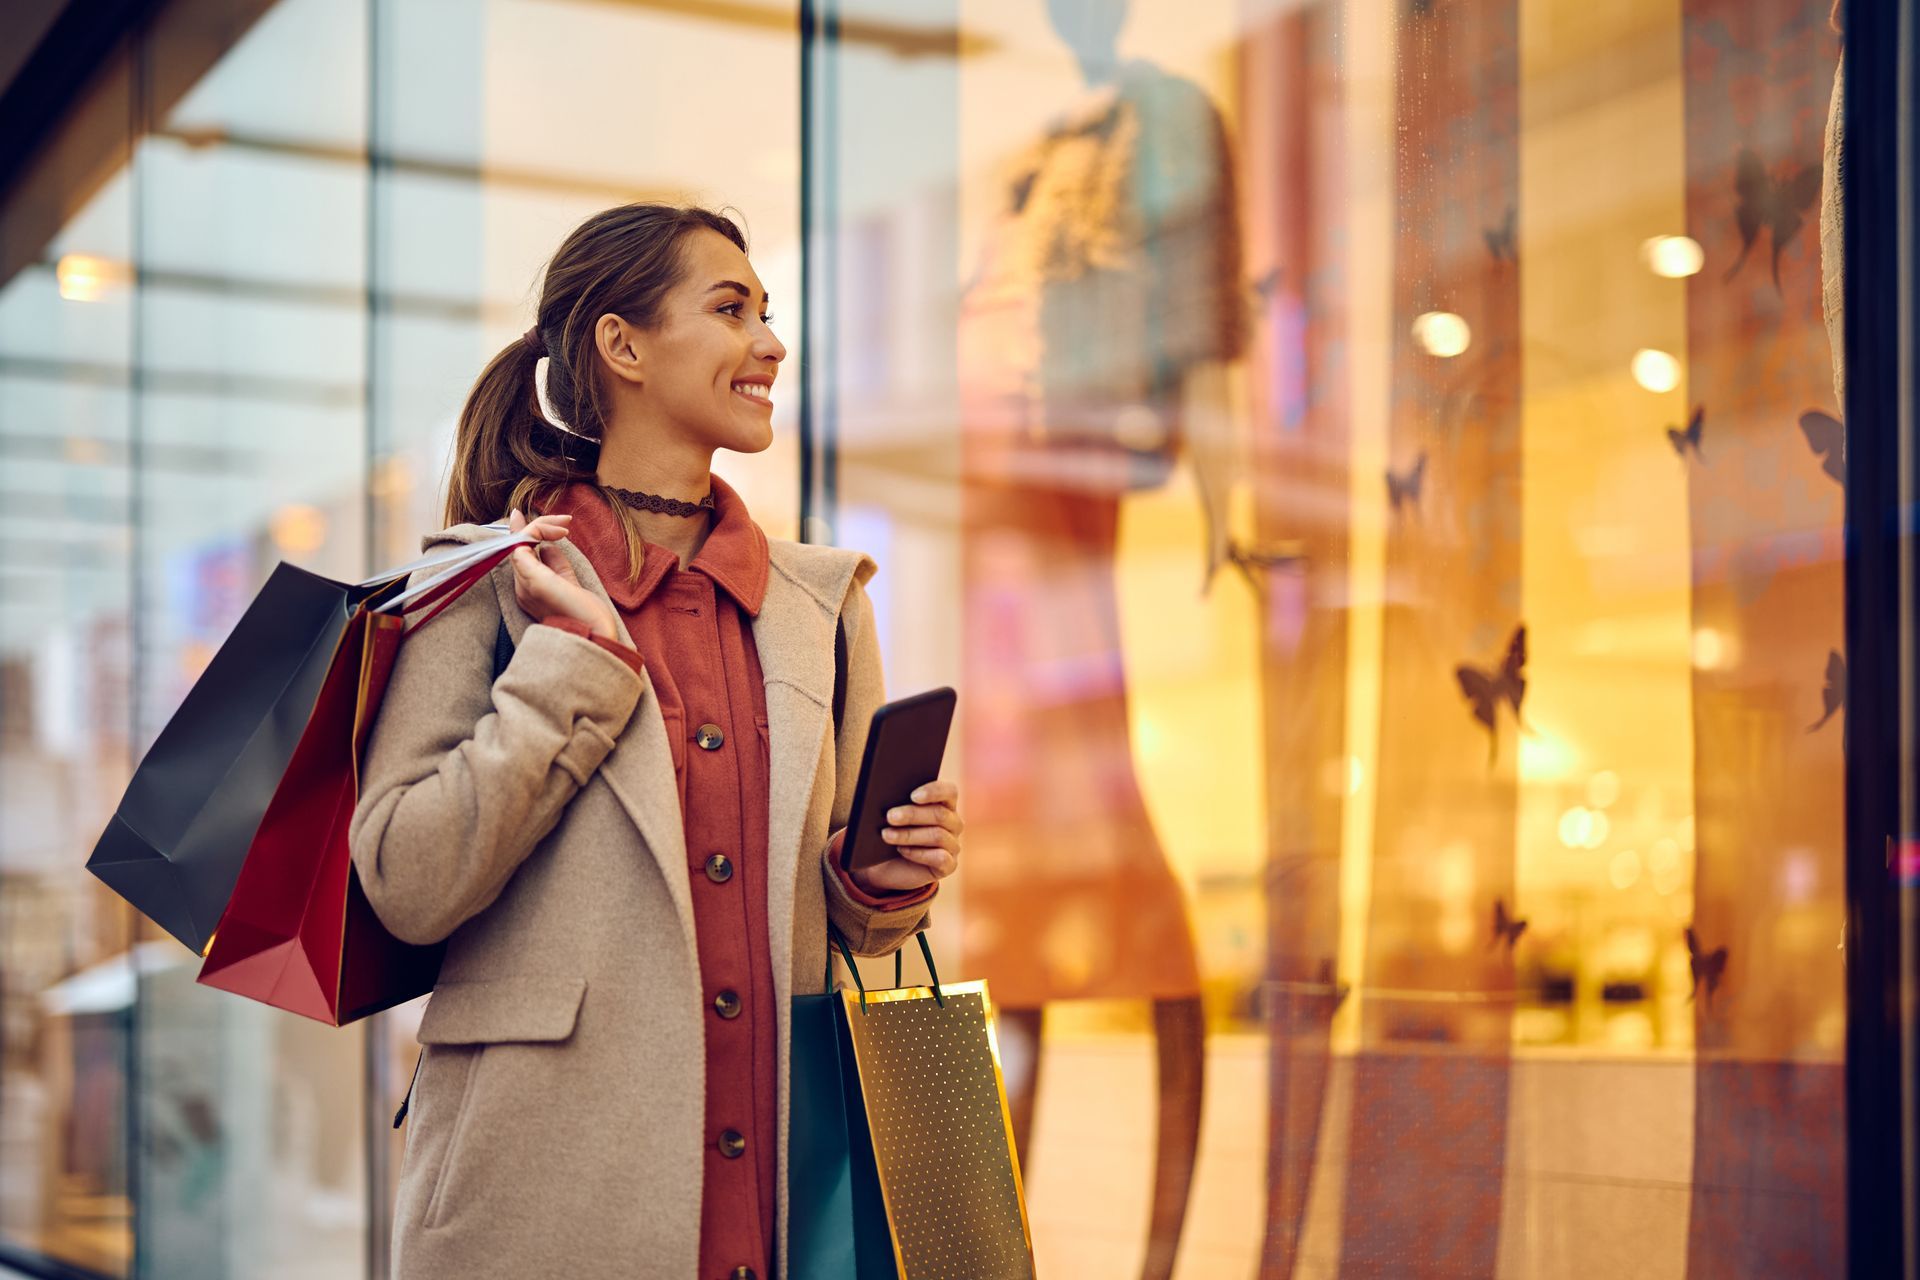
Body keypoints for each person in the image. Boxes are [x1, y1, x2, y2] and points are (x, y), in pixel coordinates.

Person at [347, 203, 962, 1280]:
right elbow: (407, 876)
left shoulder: (822, 606)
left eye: (768, 313)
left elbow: (854, 922)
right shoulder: (483, 577)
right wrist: (567, 673)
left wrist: (886, 877)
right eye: (731, 309)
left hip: (783, 1190)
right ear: (621, 345)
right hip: (545, 1189)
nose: (770, 341)